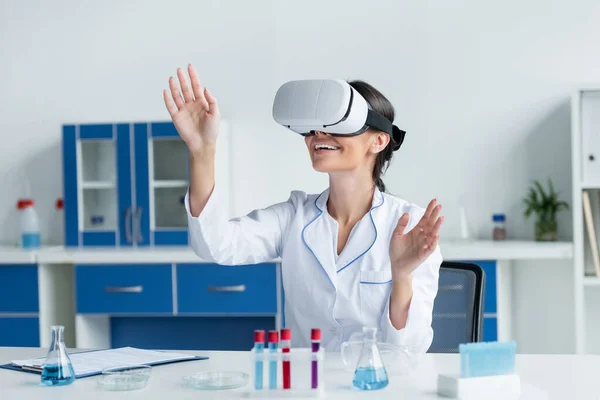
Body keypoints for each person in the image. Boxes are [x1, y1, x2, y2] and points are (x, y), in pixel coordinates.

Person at [163, 64, 444, 353]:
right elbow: (216, 244)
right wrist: (202, 150)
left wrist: (401, 275)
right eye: (313, 127)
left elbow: (411, 349)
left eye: (338, 125)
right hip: (306, 384)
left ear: (379, 140)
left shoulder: (410, 225)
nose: (318, 134)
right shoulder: (294, 216)